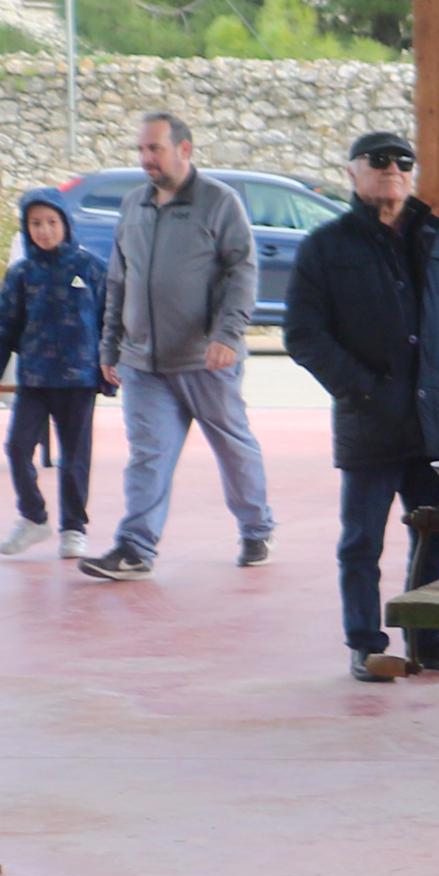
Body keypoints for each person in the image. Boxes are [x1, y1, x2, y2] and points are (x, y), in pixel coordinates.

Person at [282, 130, 439, 682]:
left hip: (433, 422)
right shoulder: (326, 247)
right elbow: (303, 333)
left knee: (438, 537)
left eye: (403, 161)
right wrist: (363, 388)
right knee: (361, 541)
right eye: (378, 161)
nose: (392, 169)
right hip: (370, 420)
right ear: (352, 173)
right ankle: (366, 643)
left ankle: (428, 637)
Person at [78, 110, 279, 582]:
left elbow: (242, 272)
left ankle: (256, 529)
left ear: (184, 150)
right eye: (142, 149)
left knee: (233, 449)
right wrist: (110, 347)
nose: (146, 158)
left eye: (155, 149)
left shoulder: (219, 202)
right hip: (143, 362)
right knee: (148, 454)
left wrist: (227, 335)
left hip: (206, 361)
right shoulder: (133, 205)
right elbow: (118, 279)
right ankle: (135, 548)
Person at [0, 190, 108, 562]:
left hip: (79, 380)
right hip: (34, 380)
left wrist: (109, 371)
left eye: (52, 222)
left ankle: (73, 527)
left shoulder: (91, 268)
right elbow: (5, 326)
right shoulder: (21, 274)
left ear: (66, 224)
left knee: (74, 456)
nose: (45, 230)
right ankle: (33, 517)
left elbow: (110, 321)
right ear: (26, 228)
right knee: (18, 447)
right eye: (36, 223)